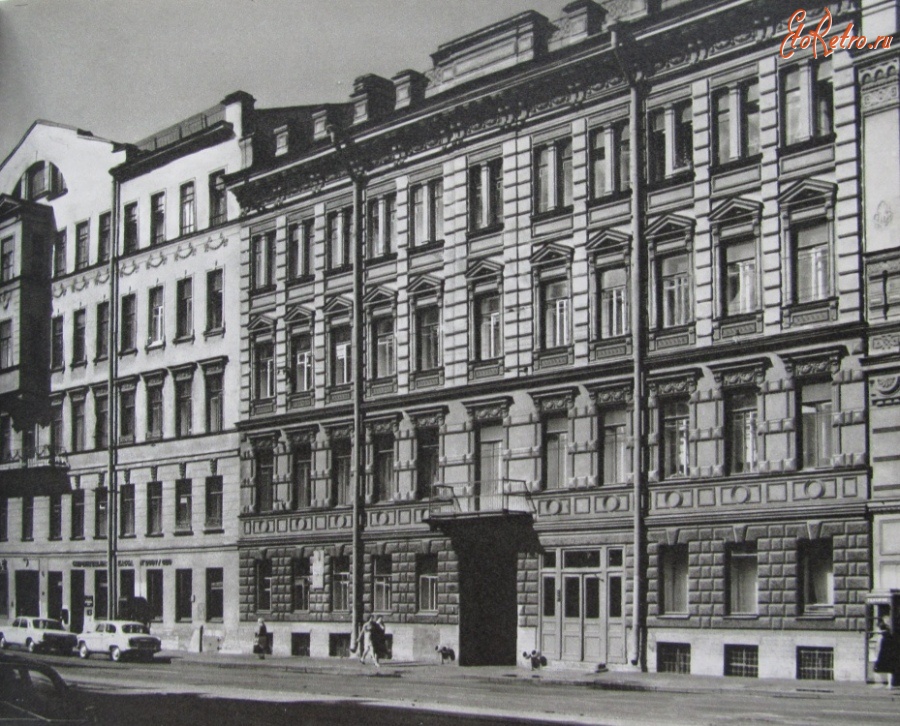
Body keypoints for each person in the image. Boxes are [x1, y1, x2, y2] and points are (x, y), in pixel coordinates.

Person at [874, 616, 898, 688]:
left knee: (878, 668)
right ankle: (890, 684)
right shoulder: (889, 635)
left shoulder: (881, 636)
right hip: (889, 654)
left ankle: (880, 682)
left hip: (882, 655)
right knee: (889, 670)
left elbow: (878, 646)